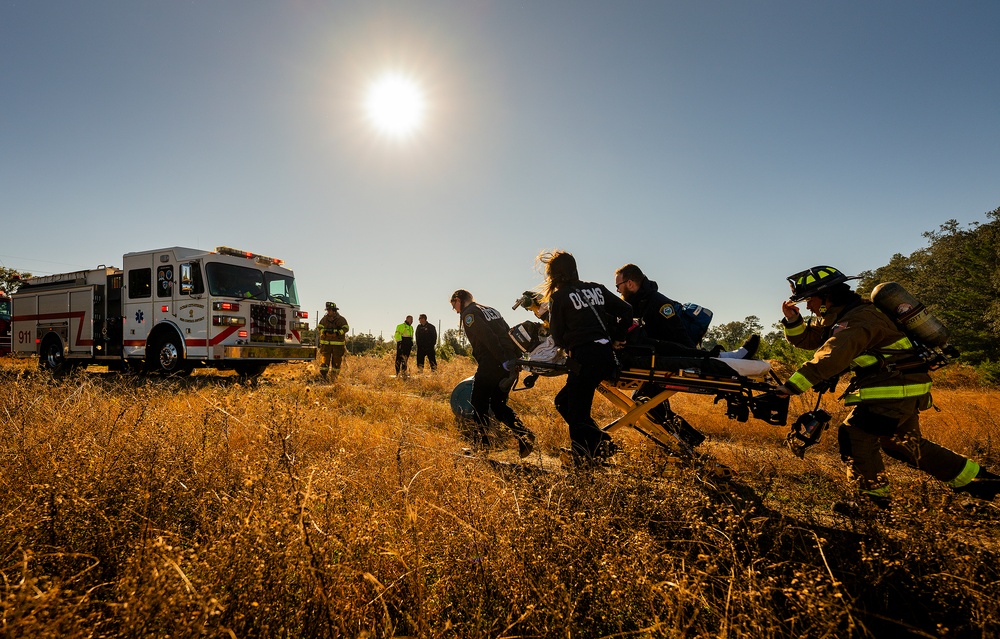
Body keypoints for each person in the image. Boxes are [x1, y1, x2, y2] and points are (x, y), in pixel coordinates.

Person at [775, 265, 1000, 511]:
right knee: (903, 444)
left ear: (827, 296)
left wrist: (790, 387)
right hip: (902, 384)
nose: (808, 306)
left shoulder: (858, 320)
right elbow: (811, 341)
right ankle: (982, 482)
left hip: (894, 387)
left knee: (855, 435)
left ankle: (871, 501)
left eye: (810, 300)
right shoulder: (843, 315)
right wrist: (793, 320)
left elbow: (831, 357)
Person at [539, 250, 633, 464]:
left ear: (553, 275)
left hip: (584, 358)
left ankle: (587, 459)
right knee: (563, 401)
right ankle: (599, 445)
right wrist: (617, 336)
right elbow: (626, 309)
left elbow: (558, 336)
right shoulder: (596, 288)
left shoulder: (559, 297)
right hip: (605, 356)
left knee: (577, 414)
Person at [450, 289, 536, 457]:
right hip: (507, 362)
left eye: (453, 304)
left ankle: (481, 446)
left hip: (492, 362)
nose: (454, 309)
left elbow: (488, 338)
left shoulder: (470, 314)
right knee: (497, 404)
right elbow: (508, 333)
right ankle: (524, 435)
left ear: (458, 299)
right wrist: (513, 360)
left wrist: (503, 360)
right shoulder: (490, 309)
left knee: (478, 403)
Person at [317, 302, 349, 382]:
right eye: (327, 310)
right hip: (326, 345)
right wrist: (325, 332)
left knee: (336, 362)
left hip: (338, 346)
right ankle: (323, 377)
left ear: (334, 311)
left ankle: (334, 379)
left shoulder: (341, 319)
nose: (328, 312)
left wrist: (337, 333)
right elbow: (320, 327)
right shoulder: (324, 319)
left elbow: (346, 328)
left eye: (330, 310)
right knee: (324, 362)